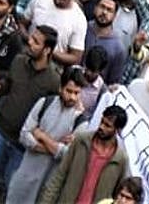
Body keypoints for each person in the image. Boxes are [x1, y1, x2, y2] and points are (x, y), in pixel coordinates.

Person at [0, 25, 61, 204]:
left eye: (36, 42)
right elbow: (10, 83)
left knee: (10, 189)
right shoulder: (18, 61)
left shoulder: (53, 81)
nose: (29, 42)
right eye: (31, 38)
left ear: (47, 50)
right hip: (0, 131)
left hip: (21, 145)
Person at [6, 66, 88, 204]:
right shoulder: (45, 103)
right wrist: (56, 147)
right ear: (61, 88)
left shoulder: (80, 122)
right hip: (25, 179)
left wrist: (42, 136)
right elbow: (24, 135)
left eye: (76, 93)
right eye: (69, 91)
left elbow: (68, 154)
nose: (72, 97)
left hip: (48, 188)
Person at [39, 104, 131, 204]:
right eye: (102, 122)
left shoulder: (120, 159)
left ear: (117, 130)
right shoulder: (81, 141)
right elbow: (60, 176)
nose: (101, 127)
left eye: (107, 125)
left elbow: (118, 196)